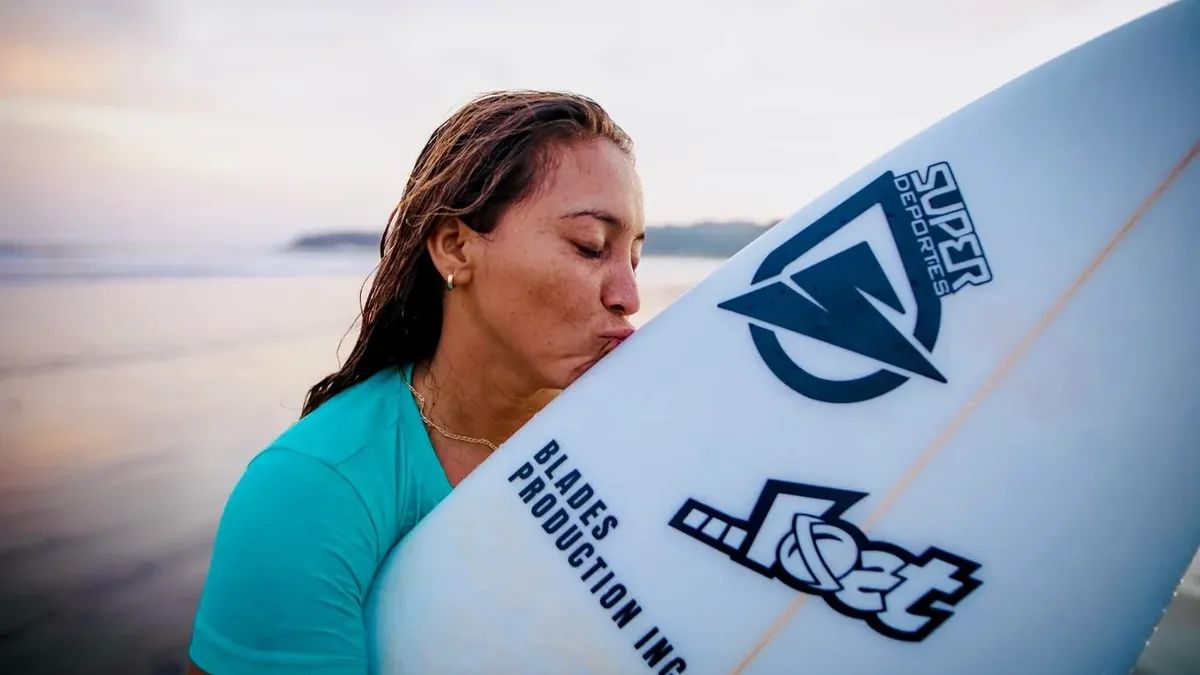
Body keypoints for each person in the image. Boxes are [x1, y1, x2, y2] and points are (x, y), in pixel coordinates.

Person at [186, 90, 644, 674]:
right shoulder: (315, 489)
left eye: (634, 259)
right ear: (455, 248)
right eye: (591, 247)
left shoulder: (628, 438)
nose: (628, 296)